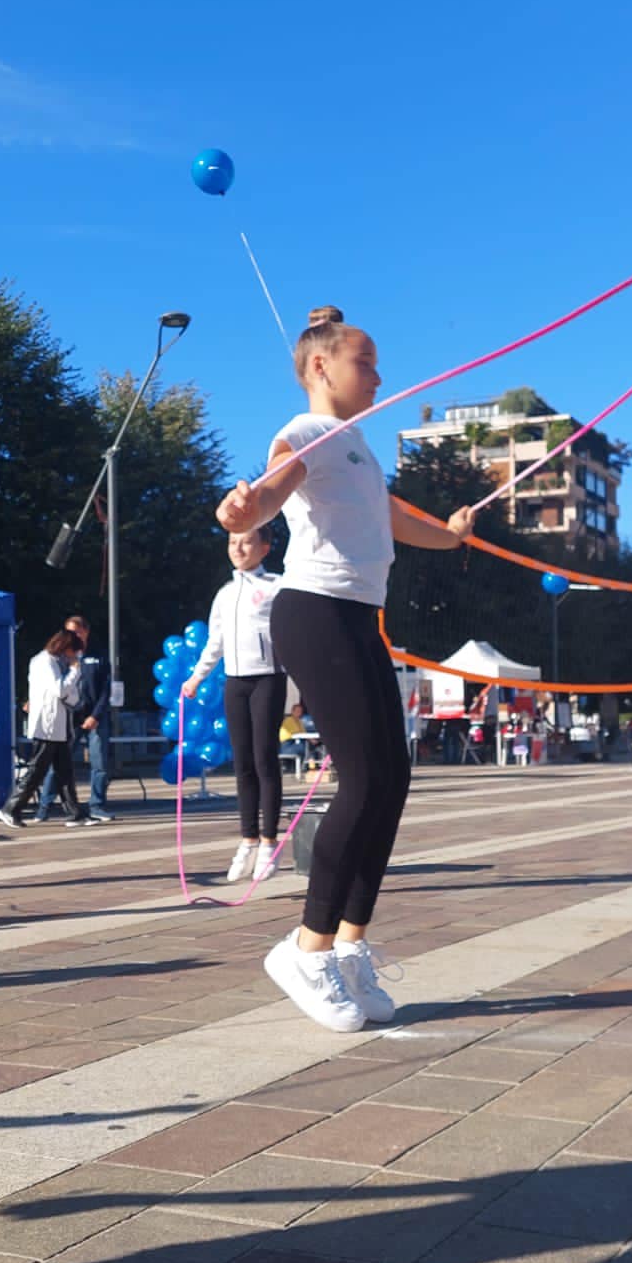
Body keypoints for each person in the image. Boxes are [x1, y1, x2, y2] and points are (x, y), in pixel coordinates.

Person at [216, 305, 476, 1032]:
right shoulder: (305, 433)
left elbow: (391, 515)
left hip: (360, 619)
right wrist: (244, 510)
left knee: (392, 781)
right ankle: (306, 949)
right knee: (364, 780)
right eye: (367, 362)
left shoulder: (358, 449)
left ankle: (349, 949)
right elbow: (269, 489)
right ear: (321, 368)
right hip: (314, 613)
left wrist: (450, 537)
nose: (380, 375)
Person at [183, 527, 285, 883]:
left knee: (263, 759)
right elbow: (216, 640)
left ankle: (271, 842)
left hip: (269, 678)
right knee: (242, 763)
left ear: (265, 547)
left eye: (246, 541)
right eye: (232, 542)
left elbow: (293, 634)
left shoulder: (276, 586)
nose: (238, 548)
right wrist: (197, 677)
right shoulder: (225, 594)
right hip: (236, 682)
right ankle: (248, 839)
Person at [0, 629, 90, 828]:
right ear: (65, 647)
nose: (74, 657)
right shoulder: (44, 662)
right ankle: (10, 809)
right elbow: (59, 690)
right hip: (47, 727)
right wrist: (75, 671)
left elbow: (70, 695)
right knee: (36, 771)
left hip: (59, 727)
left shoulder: (55, 662)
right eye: (73, 651)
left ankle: (75, 813)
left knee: (64, 771)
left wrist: (71, 682)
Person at [35, 613, 113, 824]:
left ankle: (97, 805)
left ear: (85, 632)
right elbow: (53, 686)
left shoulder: (99, 654)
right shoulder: (61, 657)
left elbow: (107, 689)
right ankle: (45, 806)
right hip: (70, 717)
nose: (73, 636)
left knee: (100, 764)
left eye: (77, 632)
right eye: (69, 632)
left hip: (95, 717)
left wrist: (95, 715)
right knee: (59, 763)